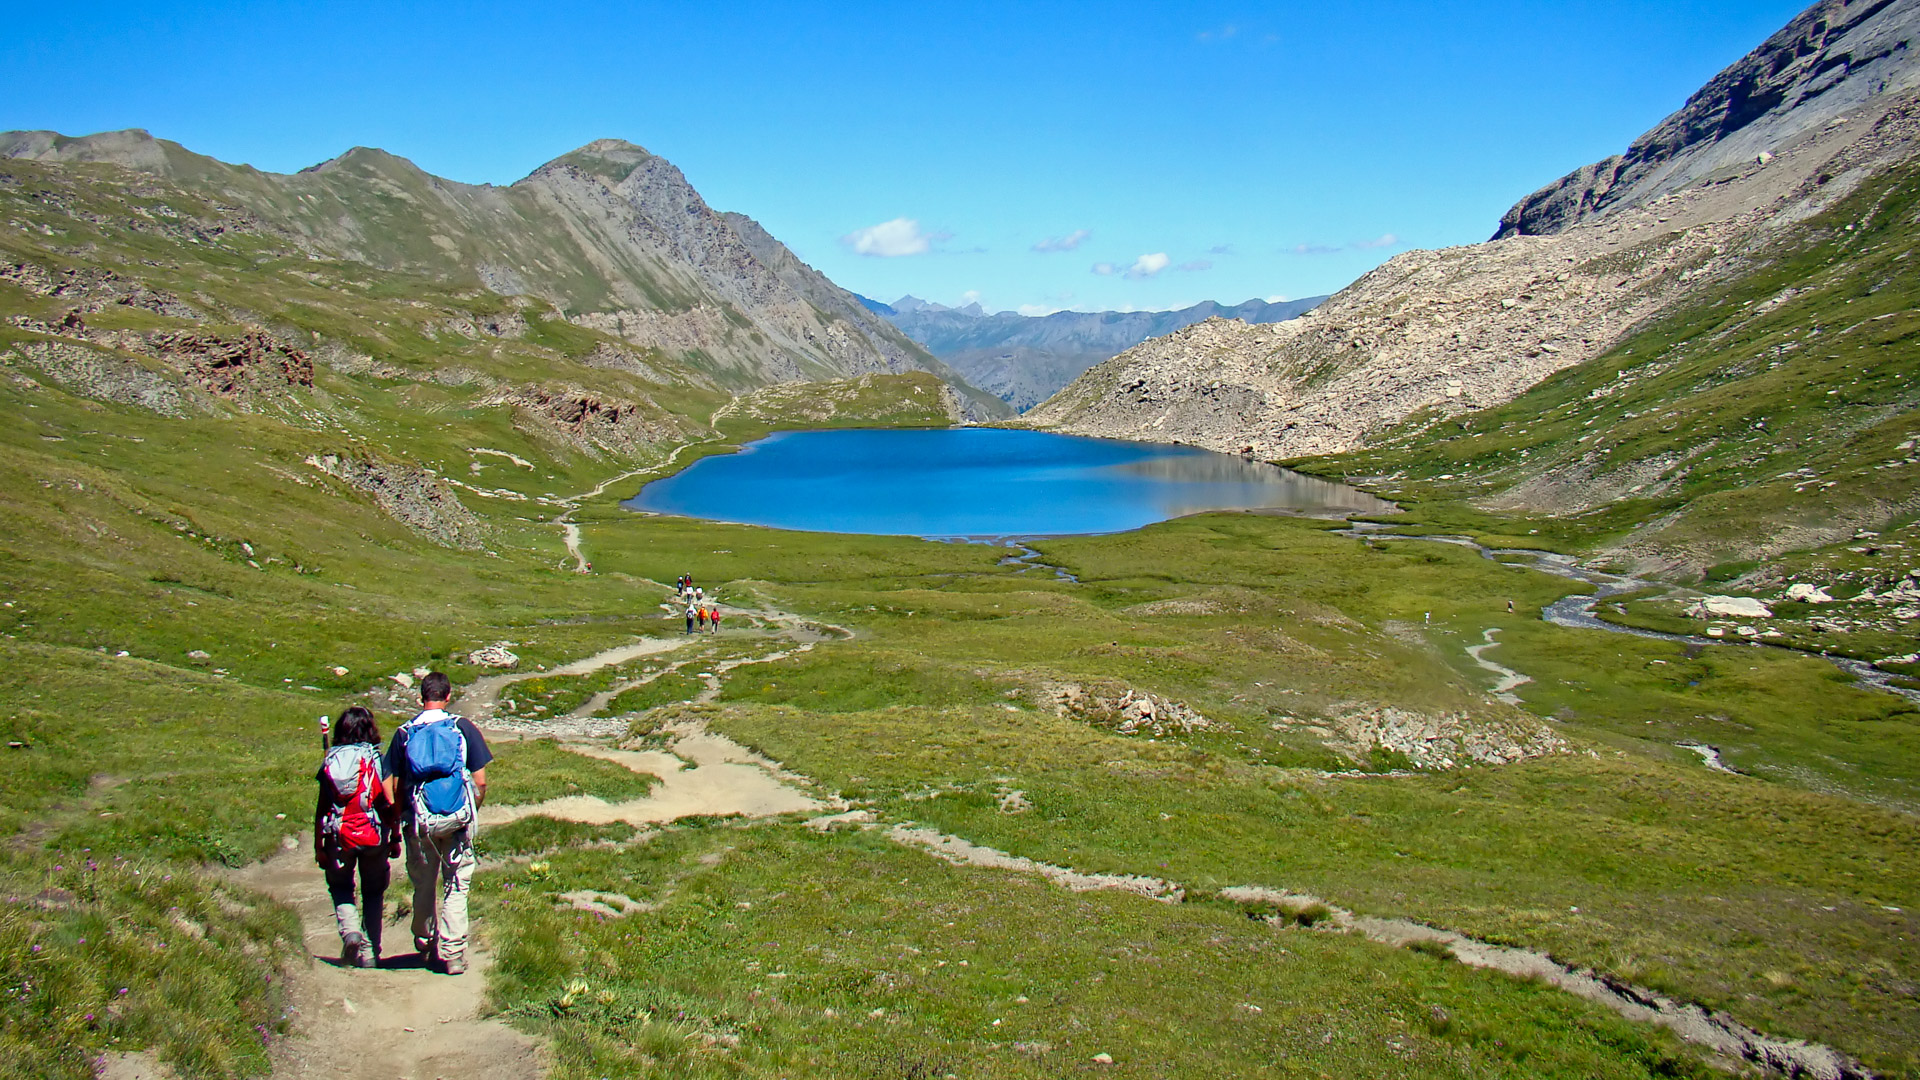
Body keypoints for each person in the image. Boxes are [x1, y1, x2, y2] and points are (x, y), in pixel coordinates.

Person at [384, 672, 492, 976]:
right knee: (456, 885)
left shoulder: (404, 733)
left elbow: (395, 784)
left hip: (419, 821)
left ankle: (425, 941)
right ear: (448, 696)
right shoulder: (462, 727)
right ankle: (454, 954)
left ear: (421, 698)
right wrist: (470, 811)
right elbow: (481, 782)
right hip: (457, 821)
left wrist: (400, 819)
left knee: (424, 884)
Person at [314, 706, 396, 969]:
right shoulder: (376, 759)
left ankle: (350, 932)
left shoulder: (331, 761)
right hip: (373, 834)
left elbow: (321, 807)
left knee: (340, 887)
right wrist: (394, 836)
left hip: (339, 836)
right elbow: (387, 801)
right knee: (373, 890)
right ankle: (370, 953)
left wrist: (318, 845)